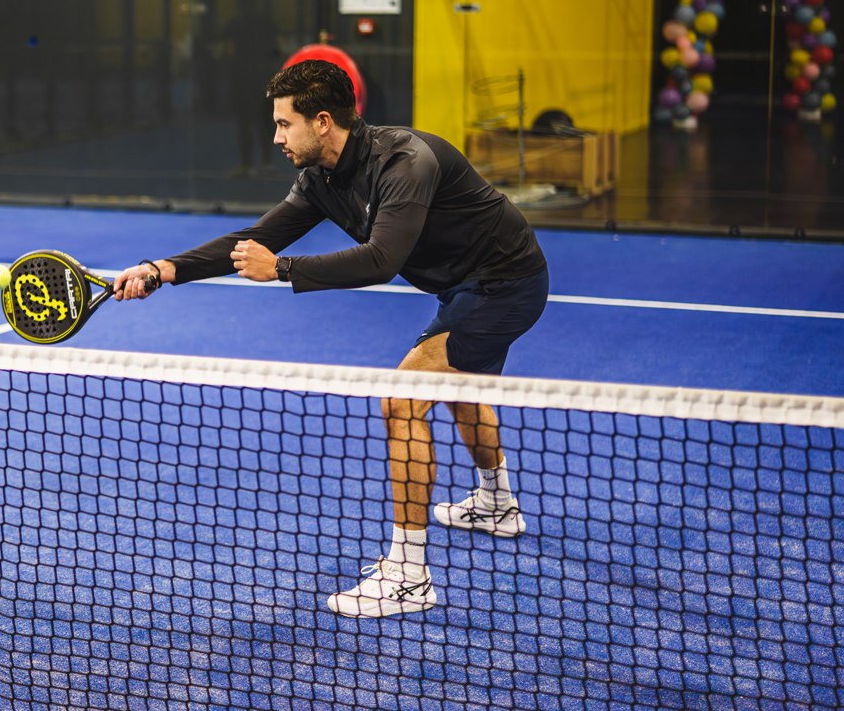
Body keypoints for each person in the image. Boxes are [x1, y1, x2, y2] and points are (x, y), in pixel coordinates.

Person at [112, 59, 548, 619]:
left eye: (283, 124)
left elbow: (382, 259)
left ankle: (408, 578)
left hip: (506, 284)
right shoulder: (321, 178)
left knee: (402, 401)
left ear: (322, 122)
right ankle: (496, 504)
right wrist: (165, 268)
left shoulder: (405, 162)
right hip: (465, 287)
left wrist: (283, 269)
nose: (276, 137)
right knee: (457, 386)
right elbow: (257, 237)